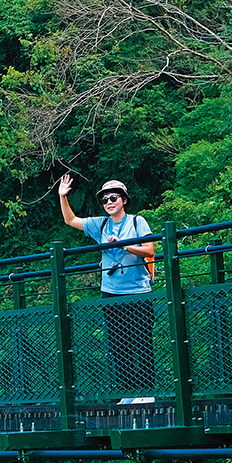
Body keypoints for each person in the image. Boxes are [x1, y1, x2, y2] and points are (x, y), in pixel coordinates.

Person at [59, 173, 157, 404]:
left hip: (138, 292)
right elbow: (71, 221)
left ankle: (145, 392)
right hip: (111, 292)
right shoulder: (99, 224)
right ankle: (128, 393)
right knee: (118, 344)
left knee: (141, 341)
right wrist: (63, 197)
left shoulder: (137, 221)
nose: (109, 202)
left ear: (124, 199)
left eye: (114, 197)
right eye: (104, 199)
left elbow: (150, 250)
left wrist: (124, 246)